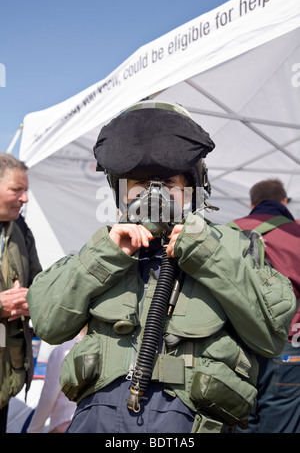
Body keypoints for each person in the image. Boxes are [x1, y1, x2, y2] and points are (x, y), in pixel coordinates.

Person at [26, 102, 296, 434]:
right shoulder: (104, 248)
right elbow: (48, 323)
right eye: (138, 184)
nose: (154, 195)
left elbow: (272, 335)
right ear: (120, 191)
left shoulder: (235, 247)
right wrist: (104, 256)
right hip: (98, 422)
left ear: (193, 186)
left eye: (168, 182)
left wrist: (207, 253)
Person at [232, 178, 300, 433]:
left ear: (252, 204)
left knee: (237, 412)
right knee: (281, 419)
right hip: (289, 342)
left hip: (238, 341)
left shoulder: (229, 232)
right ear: (283, 202)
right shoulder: (296, 234)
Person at [0, 153, 42, 433]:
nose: (25, 198)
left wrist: (32, 300)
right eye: (17, 190)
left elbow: (39, 282)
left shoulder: (21, 229)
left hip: (4, 380)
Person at [27, 328, 86, 433]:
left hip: (64, 424)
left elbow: (48, 398)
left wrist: (33, 430)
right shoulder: (106, 348)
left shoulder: (63, 350)